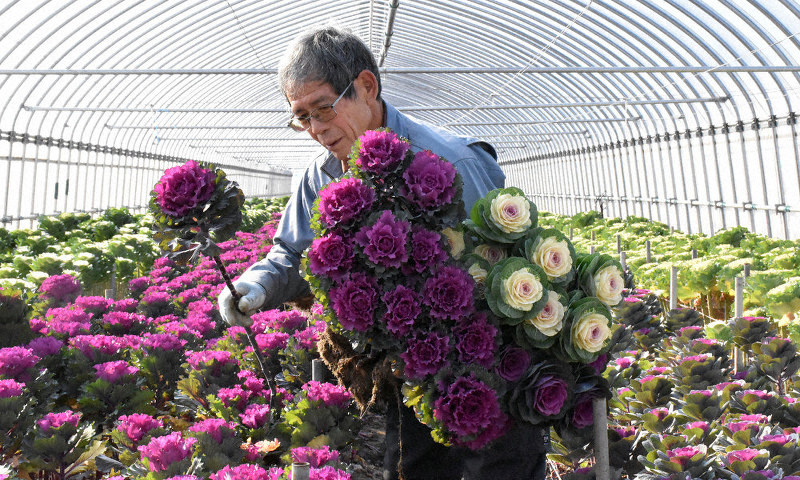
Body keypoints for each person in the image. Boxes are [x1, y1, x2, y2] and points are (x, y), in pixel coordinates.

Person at [218, 26, 545, 480]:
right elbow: (292, 253)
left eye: (323, 109)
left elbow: (518, 272)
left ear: (367, 87)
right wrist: (256, 285)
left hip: (492, 377)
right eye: (302, 117)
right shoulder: (321, 177)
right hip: (406, 376)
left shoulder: (457, 162)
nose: (316, 130)